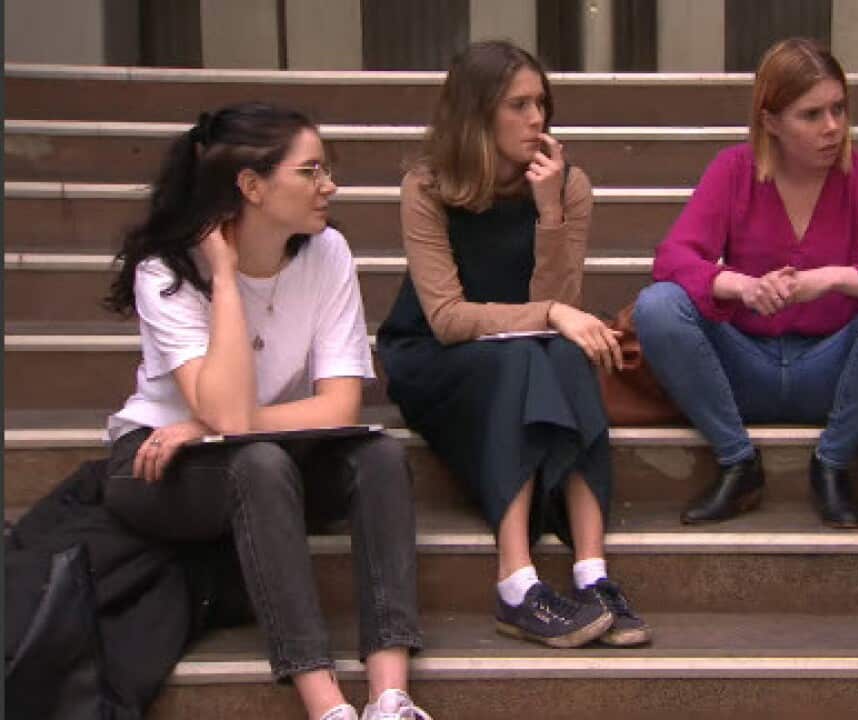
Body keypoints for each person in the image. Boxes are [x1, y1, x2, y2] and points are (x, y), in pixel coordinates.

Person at [101, 103, 431, 720]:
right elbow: (231, 417)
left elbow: (340, 403)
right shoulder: (167, 272)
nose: (329, 186)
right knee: (255, 462)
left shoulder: (327, 251)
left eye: (325, 170)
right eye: (310, 172)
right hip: (156, 465)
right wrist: (224, 276)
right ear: (251, 187)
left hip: (252, 447)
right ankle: (325, 703)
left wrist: (205, 427)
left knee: (381, 455)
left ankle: (391, 696)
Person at [376, 41, 650, 650]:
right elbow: (447, 318)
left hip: (528, 351)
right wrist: (551, 313)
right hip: (434, 358)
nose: (537, 120)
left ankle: (592, 571)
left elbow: (562, 300)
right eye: (519, 105)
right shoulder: (427, 187)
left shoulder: (567, 185)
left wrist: (548, 211)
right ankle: (516, 582)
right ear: (477, 114)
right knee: (527, 353)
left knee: (562, 353)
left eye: (542, 104)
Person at [632, 37, 858, 528]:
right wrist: (740, 286)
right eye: (811, 114)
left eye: (838, 108)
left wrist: (838, 278)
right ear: (770, 121)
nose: (832, 126)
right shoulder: (733, 170)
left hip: (831, 370)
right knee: (657, 306)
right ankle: (738, 462)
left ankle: (833, 463)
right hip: (742, 367)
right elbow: (672, 258)